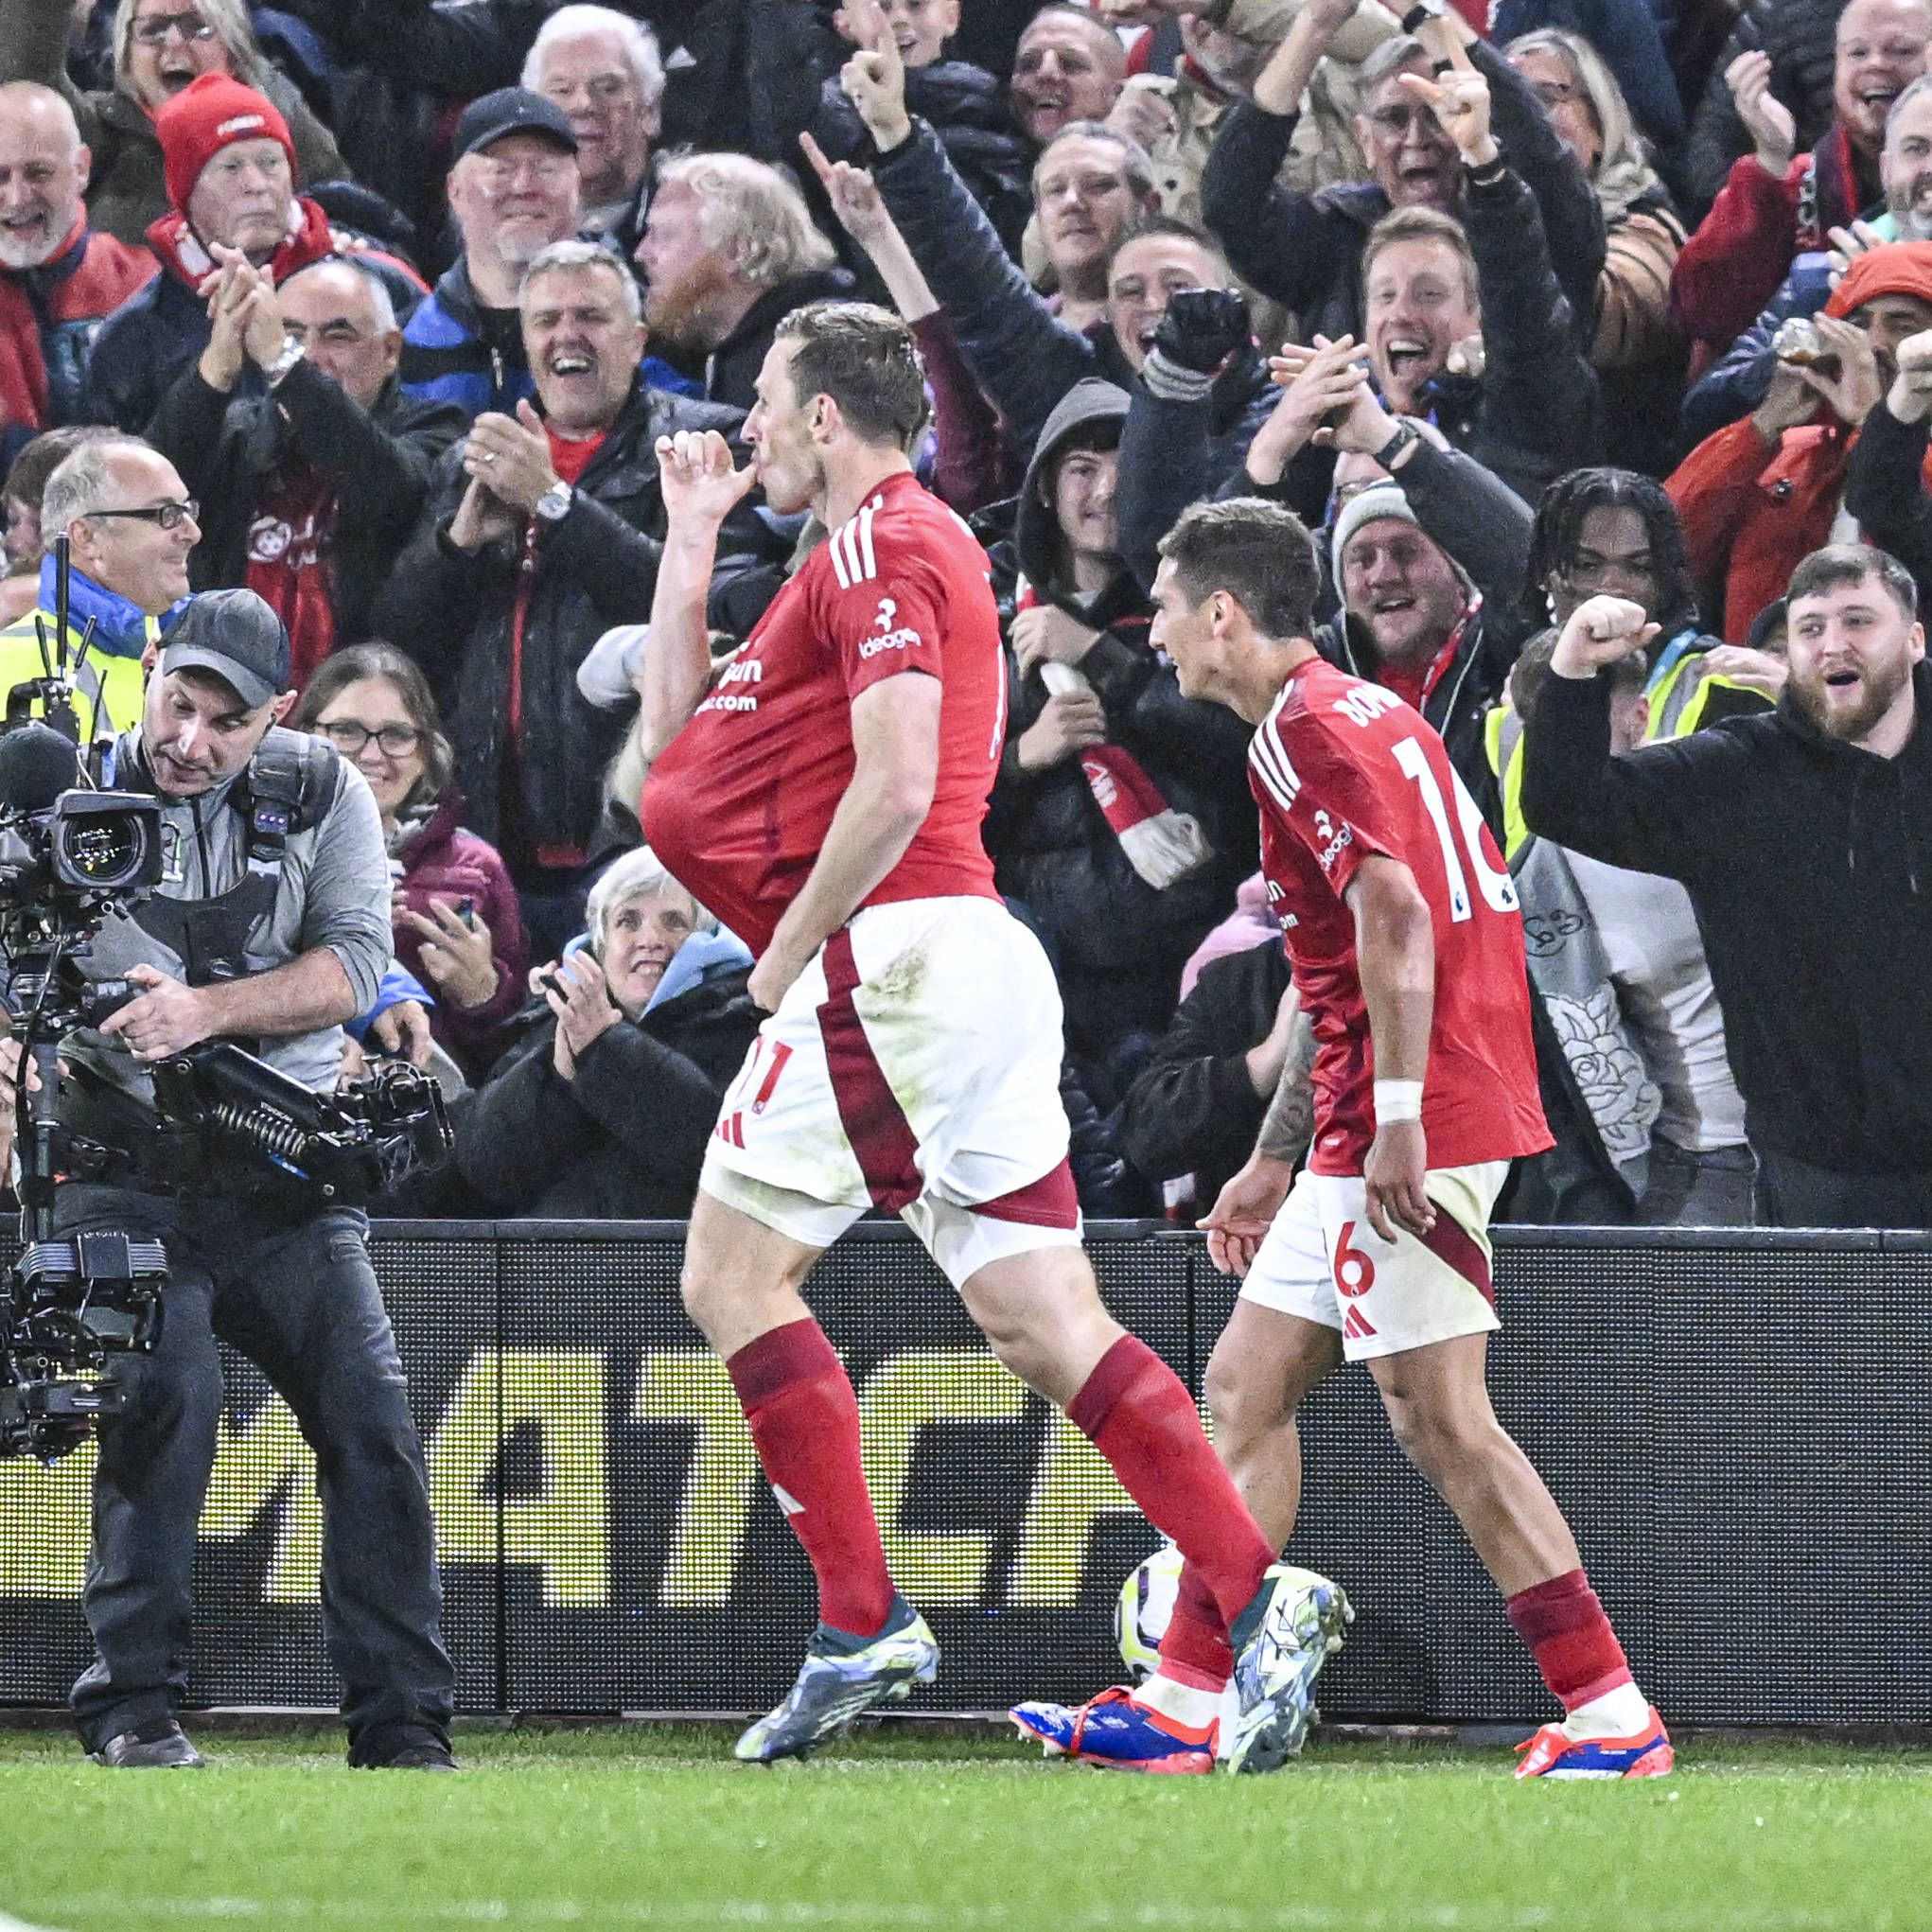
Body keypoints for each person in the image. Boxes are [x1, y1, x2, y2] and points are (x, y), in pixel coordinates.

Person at [633, 299, 1316, 1770]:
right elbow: (671, 759)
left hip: (888, 959)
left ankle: (861, 1615)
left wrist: (791, 950)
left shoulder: (888, 543)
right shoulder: (835, 562)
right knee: (1041, 1320)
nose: (744, 429)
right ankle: (1253, 1603)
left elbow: (888, 788)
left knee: (731, 1271)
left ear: (827, 416)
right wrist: (690, 536)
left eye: (762, 403)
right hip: (956, 965)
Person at [1018, 493, 1668, 1779]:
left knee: (1440, 1420)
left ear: (1220, 614)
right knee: (1242, 1390)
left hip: (1422, 1107)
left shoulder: (1302, 732)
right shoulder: (1361, 713)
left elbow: (1394, 924)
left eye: (1164, 612)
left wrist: (1396, 1121)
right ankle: (1187, 1701)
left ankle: (1607, 1711)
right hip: (1382, 1104)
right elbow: (1337, 972)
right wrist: (1274, 1151)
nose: (1155, 640)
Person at [0, 586, 455, 1770]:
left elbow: (356, 962)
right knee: (165, 1403)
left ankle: (402, 1720)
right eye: (176, 703)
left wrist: (204, 1011)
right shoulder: (60, 788)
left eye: (224, 719)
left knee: (374, 1424)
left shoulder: (325, 789)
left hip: (283, 1174)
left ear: (280, 714)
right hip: (122, 1165)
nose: (188, 740)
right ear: (150, 668)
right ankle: (132, 1704)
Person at [1525, 544, 1932, 1224]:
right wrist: (1574, 675)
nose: (1833, 644)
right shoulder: (1734, 775)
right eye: (1811, 629)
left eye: (1859, 622)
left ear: (1914, 639)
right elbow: (1566, 804)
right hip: (1813, 1177)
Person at [377, 238, 757, 954]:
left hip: (634, 845)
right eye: (546, 320)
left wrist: (555, 507)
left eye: (591, 316)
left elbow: (703, 606)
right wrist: (456, 546)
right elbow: (400, 644)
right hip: (485, 845)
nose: (566, 335)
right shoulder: (480, 459)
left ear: (638, 339)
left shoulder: (706, 444)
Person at [982, 378, 1256, 1072]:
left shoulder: (1207, 609)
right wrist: (1022, 757)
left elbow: (1239, 753)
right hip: (1044, 960)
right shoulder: (990, 613)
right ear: (1044, 488)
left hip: (1183, 949)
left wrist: (1099, 657)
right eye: (1081, 470)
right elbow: (934, 793)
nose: (1104, 491)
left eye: (1123, 468)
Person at [1502, 632, 1755, 1226]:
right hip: (1694, 1159)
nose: (1559, 745)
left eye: (1580, 717)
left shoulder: (1725, 790)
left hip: (1820, 1140)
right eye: (1542, 726)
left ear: (1639, 717)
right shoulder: (1535, 883)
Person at [1200, 4, 1604, 360]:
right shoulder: (1334, 239)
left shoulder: (1529, 238)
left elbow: (1548, 165)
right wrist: (1313, 28)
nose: (1416, 138)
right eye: (1394, 118)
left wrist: (1422, 14)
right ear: (1364, 141)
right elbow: (1232, 202)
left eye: (1437, 114)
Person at [145, 255, 466, 680]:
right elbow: (151, 492)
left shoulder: (436, 429)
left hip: (364, 716)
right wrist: (219, 364)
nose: (310, 356)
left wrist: (282, 359)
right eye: (291, 334)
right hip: (228, 708)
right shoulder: (239, 433)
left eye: (338, 335)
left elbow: (385, 491)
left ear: (390, 350)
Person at [85, 72, 424, 436]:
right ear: (186, 194)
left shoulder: (380, 283)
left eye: (270, 162)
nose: (258, 185)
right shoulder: (134, 335)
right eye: (231, 167)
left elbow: (425, 430)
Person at [450, 846, 762, 1215]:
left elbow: (713, 1152)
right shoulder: (554, 1017)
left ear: (706, 939)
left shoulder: (743, 1021)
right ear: (601, 944)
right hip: (551, 1261)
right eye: (628, 921)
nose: (650, 939)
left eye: (674, 922)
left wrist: (604, 1048)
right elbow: (485, 1170)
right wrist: (554, 1077)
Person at [1667, 241, 1932, 641]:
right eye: (1857, 323)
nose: (1872, 344)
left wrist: (1875, 423)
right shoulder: (1790, 452)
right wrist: (1761, 428)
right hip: (1761, 692)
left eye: (1902, 325)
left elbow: (1896, 510)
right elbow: (1668, 547)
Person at [295, 643, 529, 1083]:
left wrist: (483, 995)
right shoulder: (266, 848)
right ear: (307, 737)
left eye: (397, 735)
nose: (371, 754)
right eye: (346, 730)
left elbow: (516, 1054)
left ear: (425, 752)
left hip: (435, 1114)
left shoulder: (476, 868)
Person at [1671, 0, 1932, 366]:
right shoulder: (1793, 186)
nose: (1875, 63)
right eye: (1857, 52)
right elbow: (1705, 313)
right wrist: (1768, 164)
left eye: (1902, 50)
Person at [0, 0, 345, 248]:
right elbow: (27, 79)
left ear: (234, 53)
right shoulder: (99, 129)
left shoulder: (277, 116)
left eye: (198, 27)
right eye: (152, 31)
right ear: (126, 59)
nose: (176, 42)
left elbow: (348, 211)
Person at [1502, 29, 1687, 477]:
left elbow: (1598, 323)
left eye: (1543, 98)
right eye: (1504, 105)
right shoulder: (1472, 223)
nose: (1518, 122)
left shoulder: (1648, 226)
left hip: (1615, 483)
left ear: (1601, 124)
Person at [398, 87, 582, 423]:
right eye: (501, 169)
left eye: (546, 169)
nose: (524, 186)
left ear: (578, 186)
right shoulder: (403, 342)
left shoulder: (631, 327)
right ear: (454, 189)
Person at [0, 434, 192, 746]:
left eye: (188, 511)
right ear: (85, 537)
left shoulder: (197, 651)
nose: (192, 533)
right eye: (165, 515)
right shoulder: (9, 665)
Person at [0, 82, 157, 460]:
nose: (18, 197)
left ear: (81, 169)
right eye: (0, 177)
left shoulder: (144, 285)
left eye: (38, 173)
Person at [631, 151, 852, 412]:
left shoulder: (816, 353)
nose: (642, 253)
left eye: (664, 235)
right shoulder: (716, 356)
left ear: (737, 250)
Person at [523, 5, 664, 253]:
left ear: (651, 110)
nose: (583, 104)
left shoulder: (690, 220)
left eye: (608, 88)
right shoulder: (499, 215)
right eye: (562, 90)